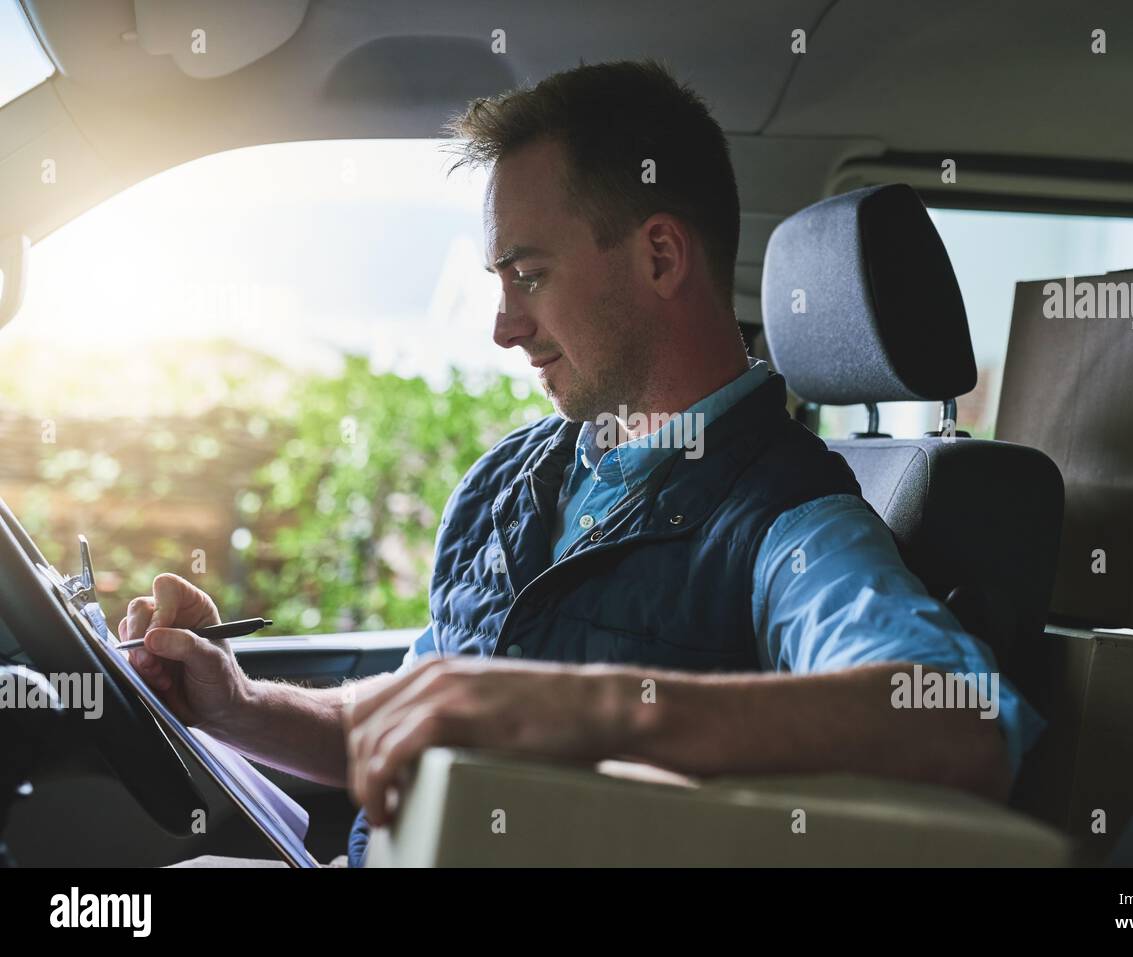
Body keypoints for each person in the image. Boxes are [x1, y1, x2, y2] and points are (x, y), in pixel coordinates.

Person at [122, 59, 1044, 867]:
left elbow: (961, 718)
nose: (502, 326)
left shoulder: (786, 516)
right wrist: (235, 700)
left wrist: (600, 710)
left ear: (658, 254)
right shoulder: (508, 481)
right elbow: (412, 713)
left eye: (527, 274)